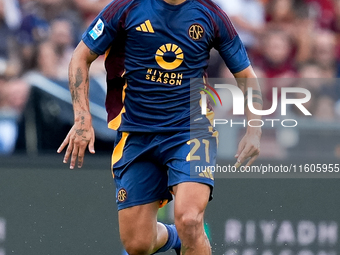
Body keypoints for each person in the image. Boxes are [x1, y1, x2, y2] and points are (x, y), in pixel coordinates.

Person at [57, 0, 262, 254]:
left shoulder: (211, 14)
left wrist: (254, 129)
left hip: (190, 130)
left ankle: (187, 233)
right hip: (137, 133)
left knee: (190, 219)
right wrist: (81, 117)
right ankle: (175, 238)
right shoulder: (126, 7)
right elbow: (80, 57)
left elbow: (246, 75)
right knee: (138, 244)